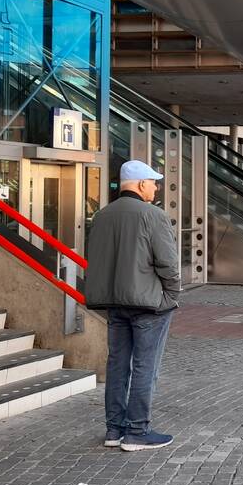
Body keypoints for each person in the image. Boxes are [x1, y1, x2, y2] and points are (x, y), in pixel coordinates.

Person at [85, 160, 180, 451]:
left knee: (117, 365)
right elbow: (169, 263)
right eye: (153, 182)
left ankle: (114, 430)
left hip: (114, 302)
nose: (156, 187)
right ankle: (137, 431)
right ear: (140, 184)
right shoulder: (153, 215)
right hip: (149, 304)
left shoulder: (101, 216)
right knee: (144, 367)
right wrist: (172, 296)